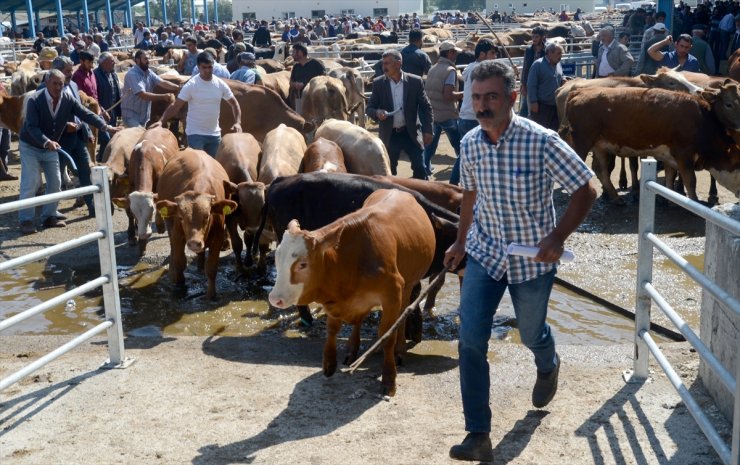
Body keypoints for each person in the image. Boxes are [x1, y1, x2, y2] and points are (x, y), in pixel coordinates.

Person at [443, 60, 596, 463]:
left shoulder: (542, 141)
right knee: (470, 340)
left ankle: (547, 362)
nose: (482, 105)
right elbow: (470, 196)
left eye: (491, 96)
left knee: (530, 334)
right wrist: (460, 242)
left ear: (513, 97)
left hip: (533, 259)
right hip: (486, 252)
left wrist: (557, 237)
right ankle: (478, 433)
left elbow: (587, 187)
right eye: (476, 97)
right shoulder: (471, 143)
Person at [18, 69, 121, 234]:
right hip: (30, 146)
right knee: (30, 183)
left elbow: (85, 113)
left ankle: (49, 216)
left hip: (52, 146)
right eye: (55, 83)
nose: (59, 87)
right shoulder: (35, 100)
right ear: (46, 83)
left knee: (56, 183)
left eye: (61, 83)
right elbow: (31, 127)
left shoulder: (67, 99)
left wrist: (105, 126)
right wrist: (46, 141)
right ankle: (26, 220)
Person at [155, 51, 242, 157]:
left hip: (214, 134)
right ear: (198, 67)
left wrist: (237, 122)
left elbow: (234, 104)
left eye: (210, 67)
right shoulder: (191, 85)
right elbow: (176, 106)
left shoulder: (220, 84)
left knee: (214, 168)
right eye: (204, 67)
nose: (207, 70)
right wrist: (161, 121)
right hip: (195, 134)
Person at [366, 49, 433, 180]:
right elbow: (369, 109)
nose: (384, 67)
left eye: (387, 63)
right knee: (389, 173)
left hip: (411, 133)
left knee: (420, 169)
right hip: (390, 135)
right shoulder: (379, 83)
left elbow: (426, 107)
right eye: (383, 64)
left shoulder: (415, 82)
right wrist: (377, 112)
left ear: (398, 63)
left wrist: (428, 130)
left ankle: (419, 198)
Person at [455, 39, 497, 185]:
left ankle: (454, 184)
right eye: (492, 53)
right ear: (482, 54)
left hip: (466, 116)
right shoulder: (482, 70)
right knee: (481, 154)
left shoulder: (471, 67)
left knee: (464, 155)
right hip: (475, 118)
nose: (495, 57)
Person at [423, 41, 463, 178]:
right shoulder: (450, 71)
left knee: (430, 146)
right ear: (450, 53)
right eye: (455, 52)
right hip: (447, 114)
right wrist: (464, 94)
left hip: (433, 113)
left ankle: (424, 170)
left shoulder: (433, 68)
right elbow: (448, 96)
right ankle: (462, 169)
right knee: (459, 145)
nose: (456, 55)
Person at [121, 50, 179, 128]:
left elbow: (162, 83)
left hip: (143, 116)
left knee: (141, 137)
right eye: (145, 59)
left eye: (148, 59)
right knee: (139, 136)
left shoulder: (148, 72)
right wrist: (163, 96)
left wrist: (178, 87)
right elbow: (142, 95)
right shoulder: (132, 75)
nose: (148, 61)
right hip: (131, 115)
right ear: (137, 60)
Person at [527, 42, 565, 131]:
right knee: (541, 132)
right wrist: (533, 102)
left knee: (554, 132)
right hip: (541, 107)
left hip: (555, 106)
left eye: (561, 54)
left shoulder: (558, 64)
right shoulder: (538, 65)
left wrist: (563, 79)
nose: (561, 57)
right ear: (550, 53)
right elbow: (531, 84)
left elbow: (561, 74)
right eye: (558, 53)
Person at [94, 52, 122, 161]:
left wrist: (118, 112)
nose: (114, 62)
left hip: (112, 112)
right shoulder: (95, 75)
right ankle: (101, 161)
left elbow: (116, 93)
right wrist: (101, 109)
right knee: (105, 139)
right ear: (104, 63)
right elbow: (94, 96)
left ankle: (105, 160)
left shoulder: (113, 74)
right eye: (111, 61)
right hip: (101, 113)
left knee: (111, 138)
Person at [288, 42, 326, 114]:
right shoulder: (296, 67)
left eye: (293, 52)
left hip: (315, 99)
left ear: (300, 53)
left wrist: (307, 85)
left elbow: (324, 78)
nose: (292, 55)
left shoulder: (316, 63)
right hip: (300, 98)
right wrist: (295, 85)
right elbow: (291, 82)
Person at [520, 26, 546, 118]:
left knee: (541, 107)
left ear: (542, 37)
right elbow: (525, 67)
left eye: (536, 37)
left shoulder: (547, 51)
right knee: (525, 107)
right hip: (529, 83)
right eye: (533, 37)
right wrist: (523, 84)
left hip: (542, 83)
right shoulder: (529, 50)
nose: (534, 39)